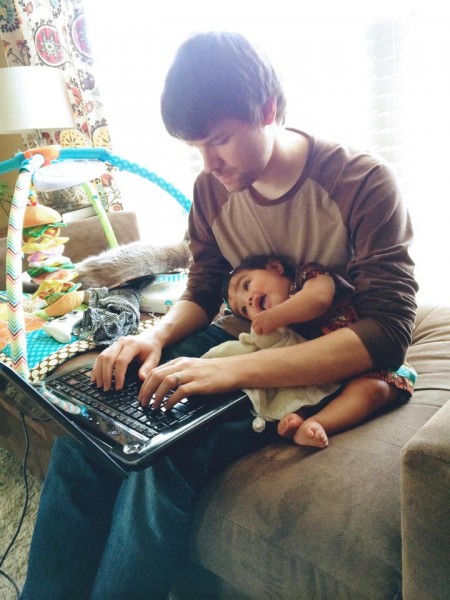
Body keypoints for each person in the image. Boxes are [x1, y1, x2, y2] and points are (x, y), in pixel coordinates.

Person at [22, 31, 418, 600]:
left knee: (163, 456)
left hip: (310, 360)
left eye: (220, 140)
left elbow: (387, 333)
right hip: (235, 342)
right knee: (89, 428)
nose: (209, 164)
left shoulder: (361, 182)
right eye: (195, 147)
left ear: (269, 111)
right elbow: (203, 290)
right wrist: (152, 337)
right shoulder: (211, 190)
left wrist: (228, 372)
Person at [209, 254, 415, 448]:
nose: (249, 301)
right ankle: (305, 419)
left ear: (275, 267)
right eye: (244, 310)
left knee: (374, 390)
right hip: (325, 373)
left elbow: (319, 299)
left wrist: (277, 315)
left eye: (247, 285)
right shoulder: (285, 329)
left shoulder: (307, 277)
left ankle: (320, 422)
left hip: (370, 361)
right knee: (297, 388)